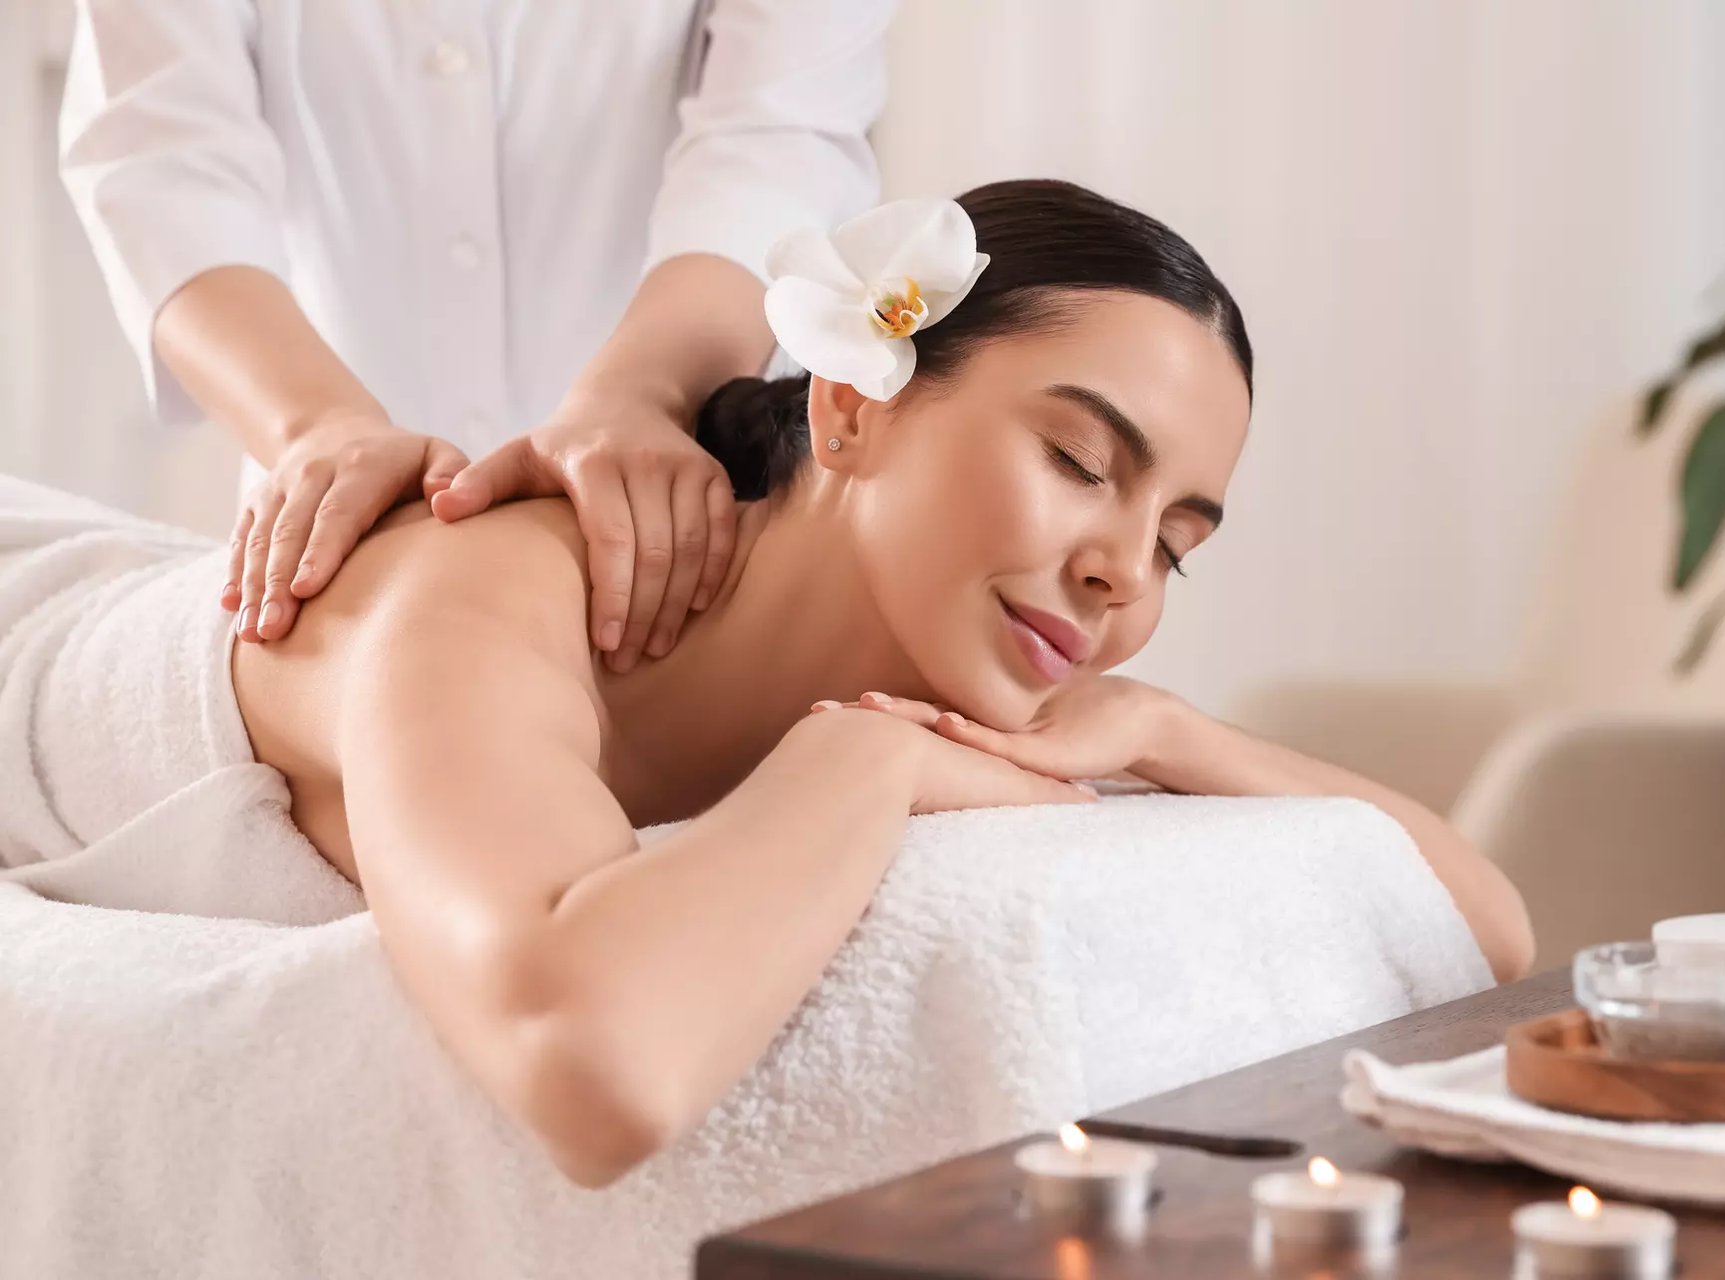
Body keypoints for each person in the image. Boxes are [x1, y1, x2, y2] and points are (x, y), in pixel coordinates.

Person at [0, 181, 1534, 1190]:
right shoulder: (486, 593)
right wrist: (862, 765)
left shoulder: (1011, 654)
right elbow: (588, 1067)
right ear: (855, 407)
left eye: (1176, 545)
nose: (1122, 571)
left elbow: (1481, 926)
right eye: (1079, 462)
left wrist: (1169, 731)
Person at [59, 0, 892, 671]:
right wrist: (319, 426)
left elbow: (779, 136)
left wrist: (645, 393)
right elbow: (160, 164)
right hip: (337, 541)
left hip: (683, 505)